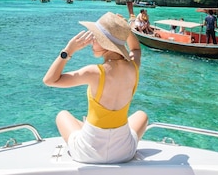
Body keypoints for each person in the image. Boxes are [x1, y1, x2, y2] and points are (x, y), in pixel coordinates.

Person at [42, 12, 148, 164]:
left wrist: (68, 51)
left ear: (106, 44)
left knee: (62, 115)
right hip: (124, 152)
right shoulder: (133, 67)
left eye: (95, 38)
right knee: (142, 115)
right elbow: (136, 49)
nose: (91, 42)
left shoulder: (94, 72)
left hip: (88, 153)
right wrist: (124, 31)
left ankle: (88, 128)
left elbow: (49, 80)